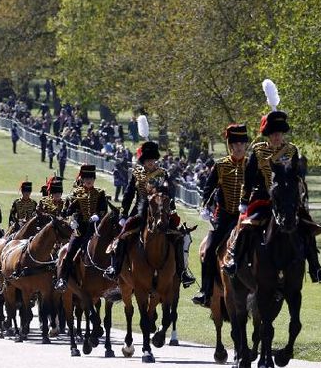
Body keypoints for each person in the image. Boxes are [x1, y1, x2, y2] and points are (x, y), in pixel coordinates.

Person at [223, 108, 321, 284]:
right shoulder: (258, 150)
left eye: (280, 134)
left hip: (286, 198)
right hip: (263, 198)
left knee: (307, 226)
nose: (277, 137)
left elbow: (297, 174)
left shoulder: (291, 150)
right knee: (246, 225)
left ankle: (316, 268)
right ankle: (234, 260)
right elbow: (250, 177)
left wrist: (297, 190)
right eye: (274, 134)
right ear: (268, 135)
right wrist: (245, 201)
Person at [106, 142, 195, 288]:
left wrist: (171, 210)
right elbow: (128, 195)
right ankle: (115, 267)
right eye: (148, 160)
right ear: (143, 161)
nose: (150, 163)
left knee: (179, 236)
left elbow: (169, 195)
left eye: (153, 160)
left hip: (161, 211)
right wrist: (123, 214)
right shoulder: (137, 174)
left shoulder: (163, 173)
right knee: (122, 236)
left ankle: (182, 272)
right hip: (140, 212)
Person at [192, 124, 249, 307]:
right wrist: (205, 207)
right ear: (230, 146)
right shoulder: (221, 165)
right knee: (209, 251)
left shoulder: (251, 165)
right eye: (236, 144)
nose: (239, 147)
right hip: (224, 217)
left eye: (242, 143)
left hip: (245, 216)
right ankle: (206, 291)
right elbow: (209, 188)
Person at [55, 165, 108, 291]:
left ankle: (112, 274)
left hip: (95, 229)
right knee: (70, 252)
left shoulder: (100, 193)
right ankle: (63, 279)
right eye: (86, 178)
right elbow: (65, 212)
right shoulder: (75, 194)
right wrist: (72, 221)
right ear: (82, 179)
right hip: (79, 230)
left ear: (94, 179)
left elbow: (104, 210)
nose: (89, 180)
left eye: (91, 178)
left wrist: (97, 216)